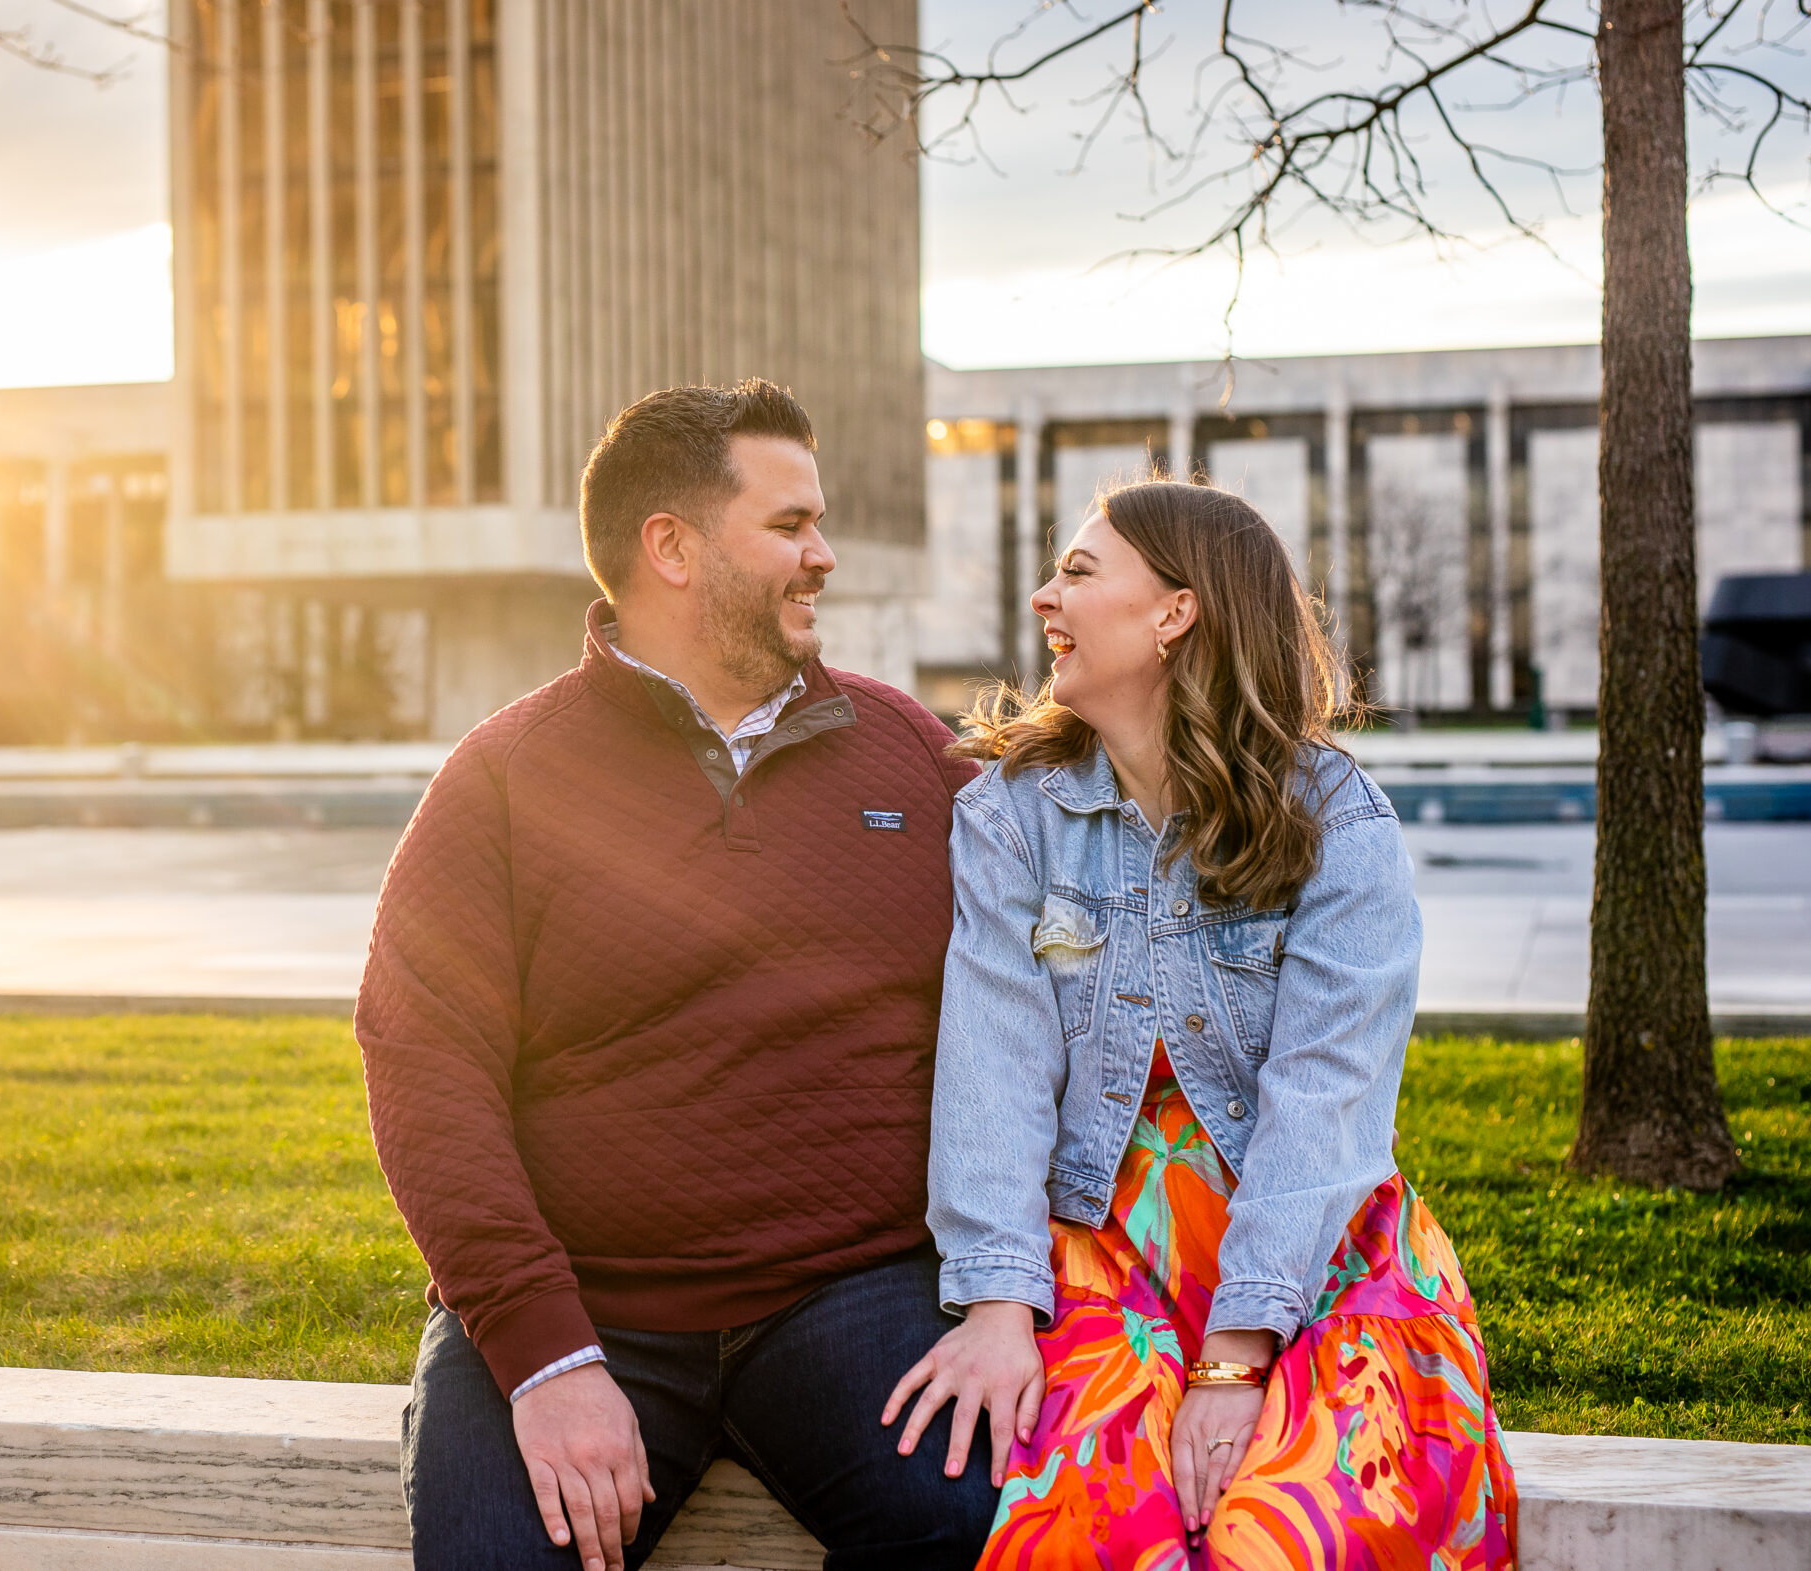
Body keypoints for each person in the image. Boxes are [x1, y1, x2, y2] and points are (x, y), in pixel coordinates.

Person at [358, 380, 998, 1571]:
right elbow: (422, 1067)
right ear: (672, 548)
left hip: (849, 1293)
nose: (825, 554)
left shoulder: (912, 753)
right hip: (584, 1301)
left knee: (974, 1530)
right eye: (790, 525)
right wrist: (545, 1357)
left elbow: (1049, 996)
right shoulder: (503, 778)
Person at [885, 479, 1518, 1570]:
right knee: (1079, 1533)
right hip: (1101, 1242)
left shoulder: (1334, 823)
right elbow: (991, 1067)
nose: (1046, 596)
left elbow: (1326, 1101)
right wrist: (996, 1304)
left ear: (1175, 613)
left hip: (1314, 1243)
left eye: (1079, 573)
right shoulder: (1010, 819)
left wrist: (1233, 1359)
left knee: (1300, 1537)